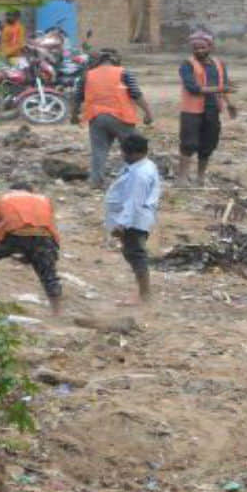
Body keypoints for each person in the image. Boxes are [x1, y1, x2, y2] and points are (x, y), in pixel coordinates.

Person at [0, 182, 62, 314]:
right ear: (31, 191)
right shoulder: (44, 200)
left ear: (11, 190)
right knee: (48, 274)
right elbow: (51, 227)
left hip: (12, 235)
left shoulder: (3, 199)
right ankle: (57, 311)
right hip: (42, 237)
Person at [73, 48, 154, 187]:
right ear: (114, 60)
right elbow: (136, 94)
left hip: (96, 117)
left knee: (99, 150)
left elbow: (77, 97)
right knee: (134, 148)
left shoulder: (87, 75)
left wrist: (74, 115)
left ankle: (96, 181)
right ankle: (138, 179)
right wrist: (148, 113)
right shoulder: (124, 72)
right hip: (121, 117)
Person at [104, 134, 160, 303]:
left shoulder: (140, 174)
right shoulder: (144, 166)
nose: (122, 156)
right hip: (136, 218)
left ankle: (144, 295)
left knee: (136, 254)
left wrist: (122, 224)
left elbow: (134, 201)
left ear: (135, 153)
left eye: (125, 153)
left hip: (134, 220)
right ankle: (143, 292)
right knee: (132, 253)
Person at [178, 30, 236, 186]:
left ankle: (200, 177)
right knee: (188, 144)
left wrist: (229, 103)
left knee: (208, 144)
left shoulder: (219, 64)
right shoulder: (187, 64)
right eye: (196, 48)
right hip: (191, 110)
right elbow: (193, 88)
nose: (199, 51)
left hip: (212, 109)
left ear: (210, 47)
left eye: (202, 48)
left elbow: (222, 85)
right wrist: (221, 90)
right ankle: (182, 178)